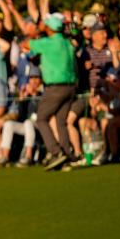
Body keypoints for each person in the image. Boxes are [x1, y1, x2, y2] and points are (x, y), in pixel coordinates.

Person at [29, 13, 77, 171]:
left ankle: (56, 152)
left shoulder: (47, 42)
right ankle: (66, 155)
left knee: (41, 118)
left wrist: (35, 33)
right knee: (61, 122)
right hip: (70, 86)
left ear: (50, 28)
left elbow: (26, 44)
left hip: (55, 87)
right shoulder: (67, 43)